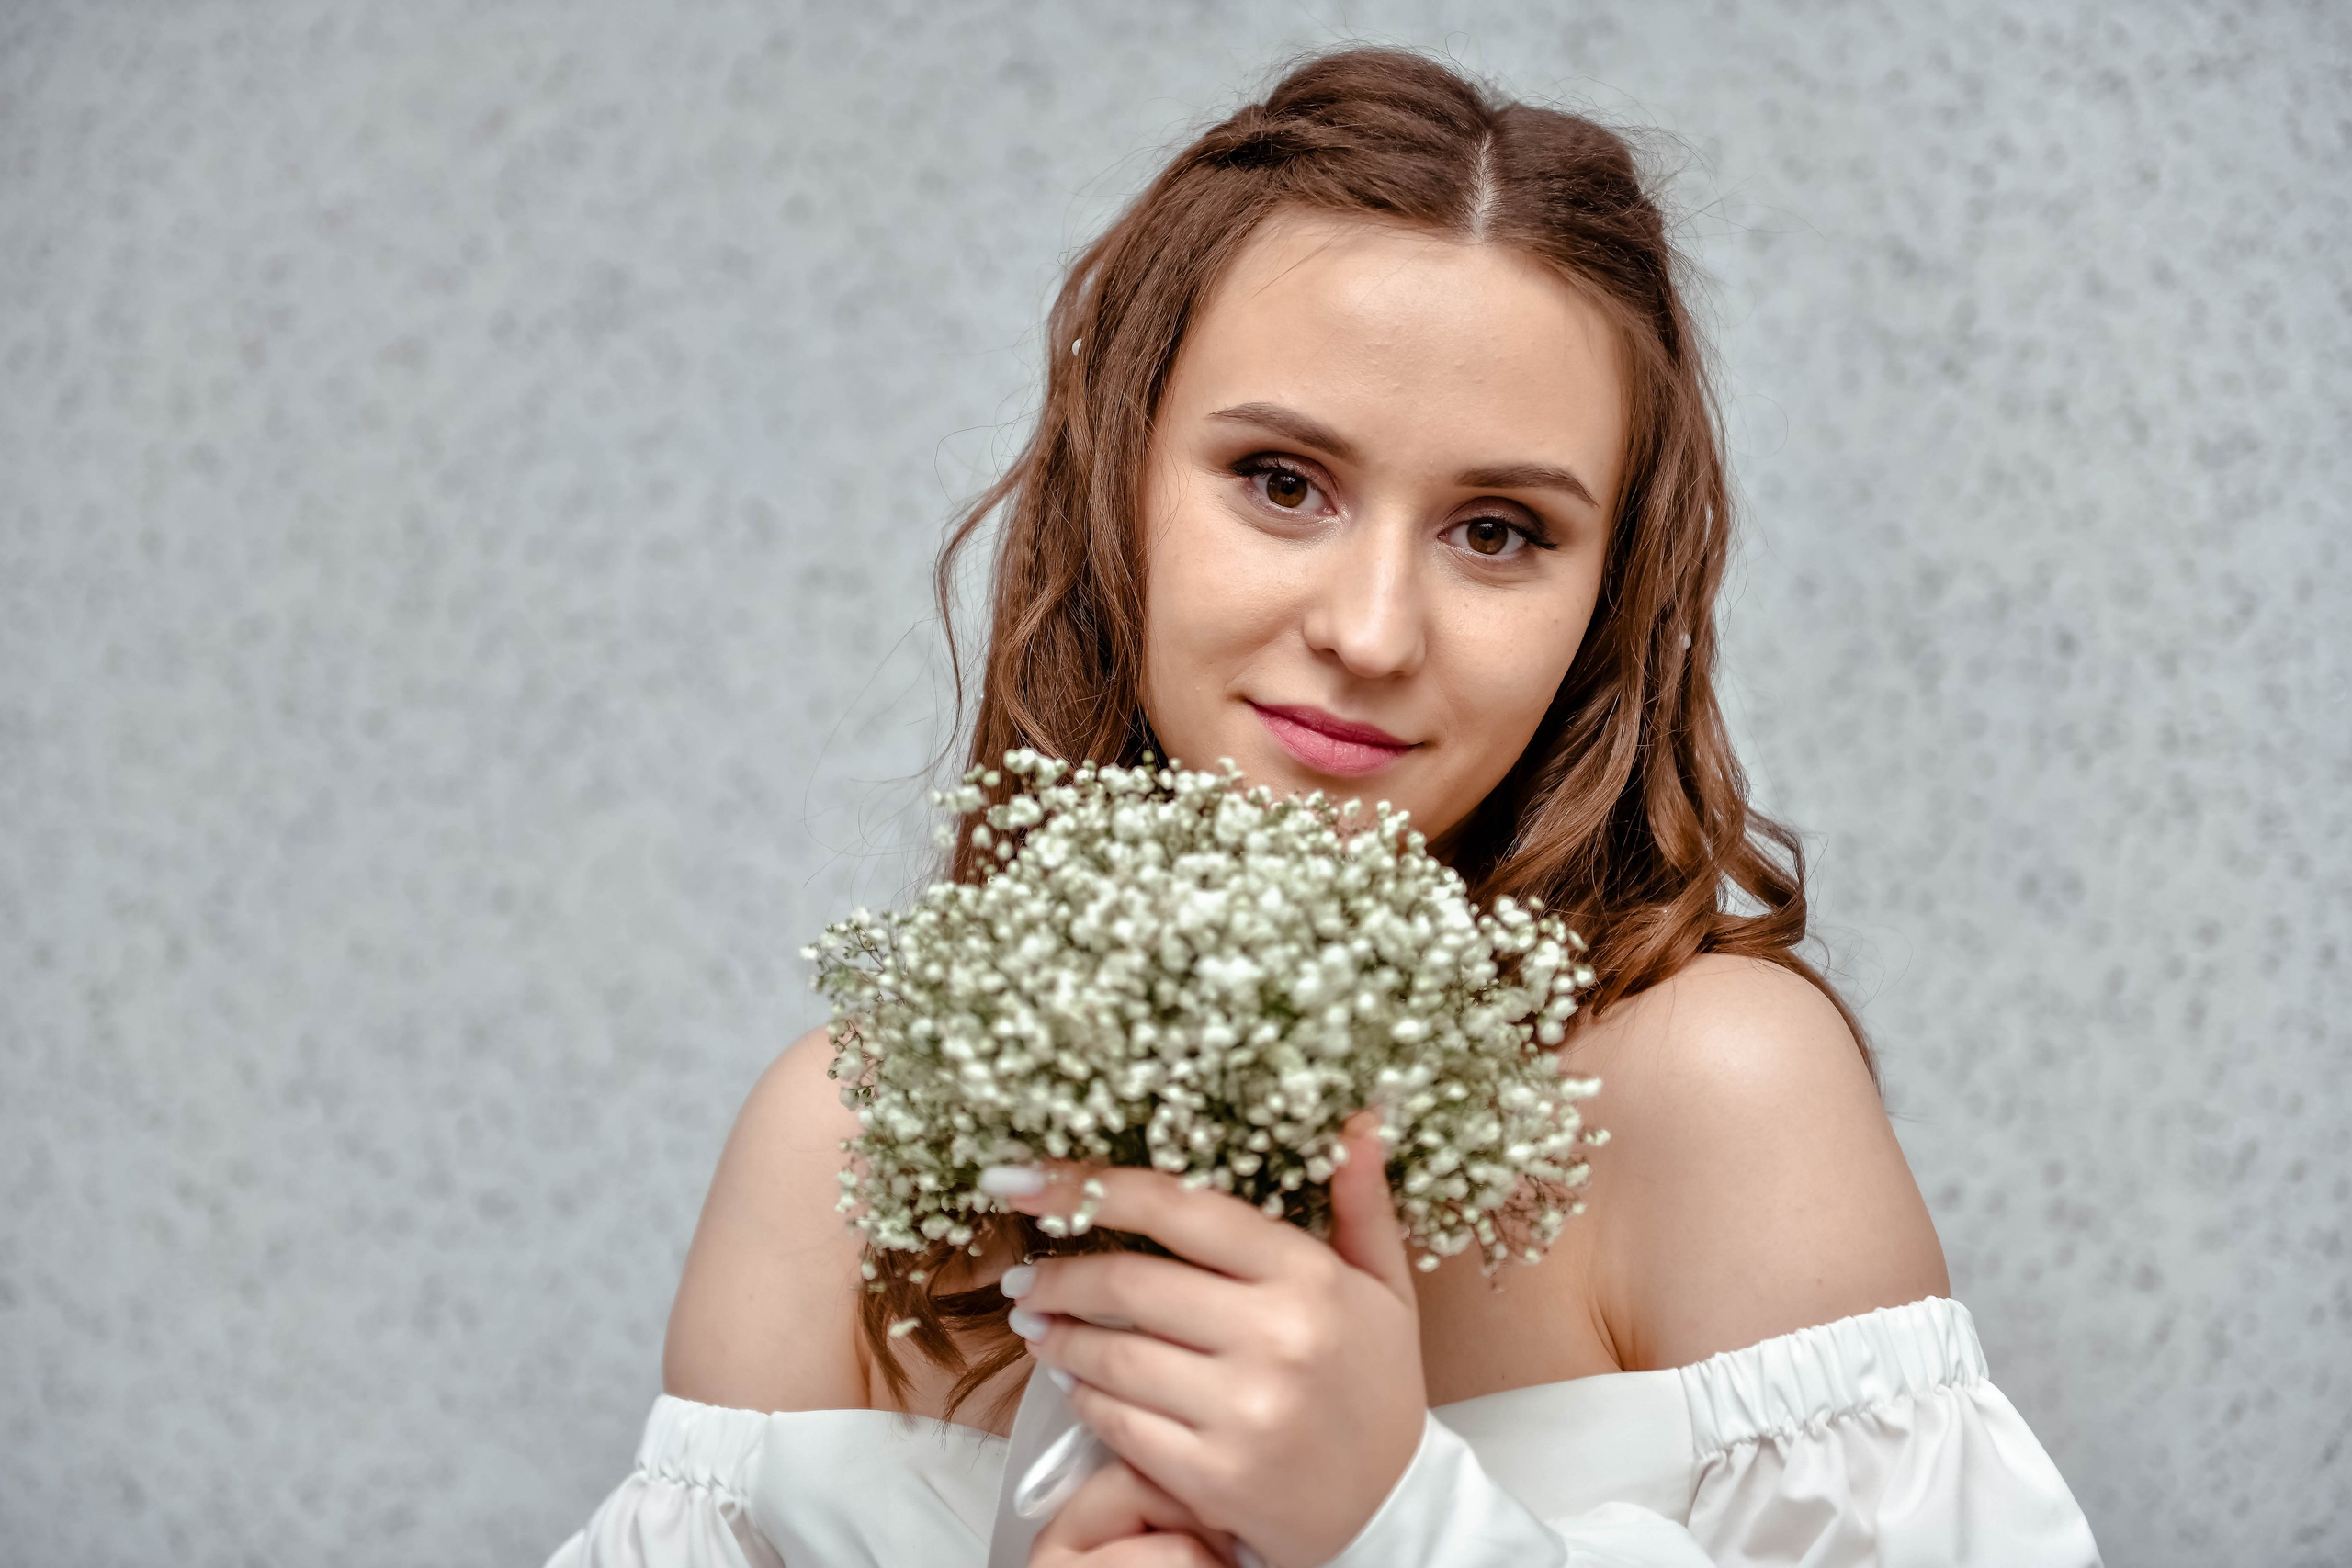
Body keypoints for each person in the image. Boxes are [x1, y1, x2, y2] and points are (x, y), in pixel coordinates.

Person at [547, 47, 2101, 1568]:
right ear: (1120, 482)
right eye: (1283, 482)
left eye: (1499, 531)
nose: (1371, 631)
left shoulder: (1713, 1097)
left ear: (1607, 594)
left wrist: (1394, 1524)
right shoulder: (838, 1145)